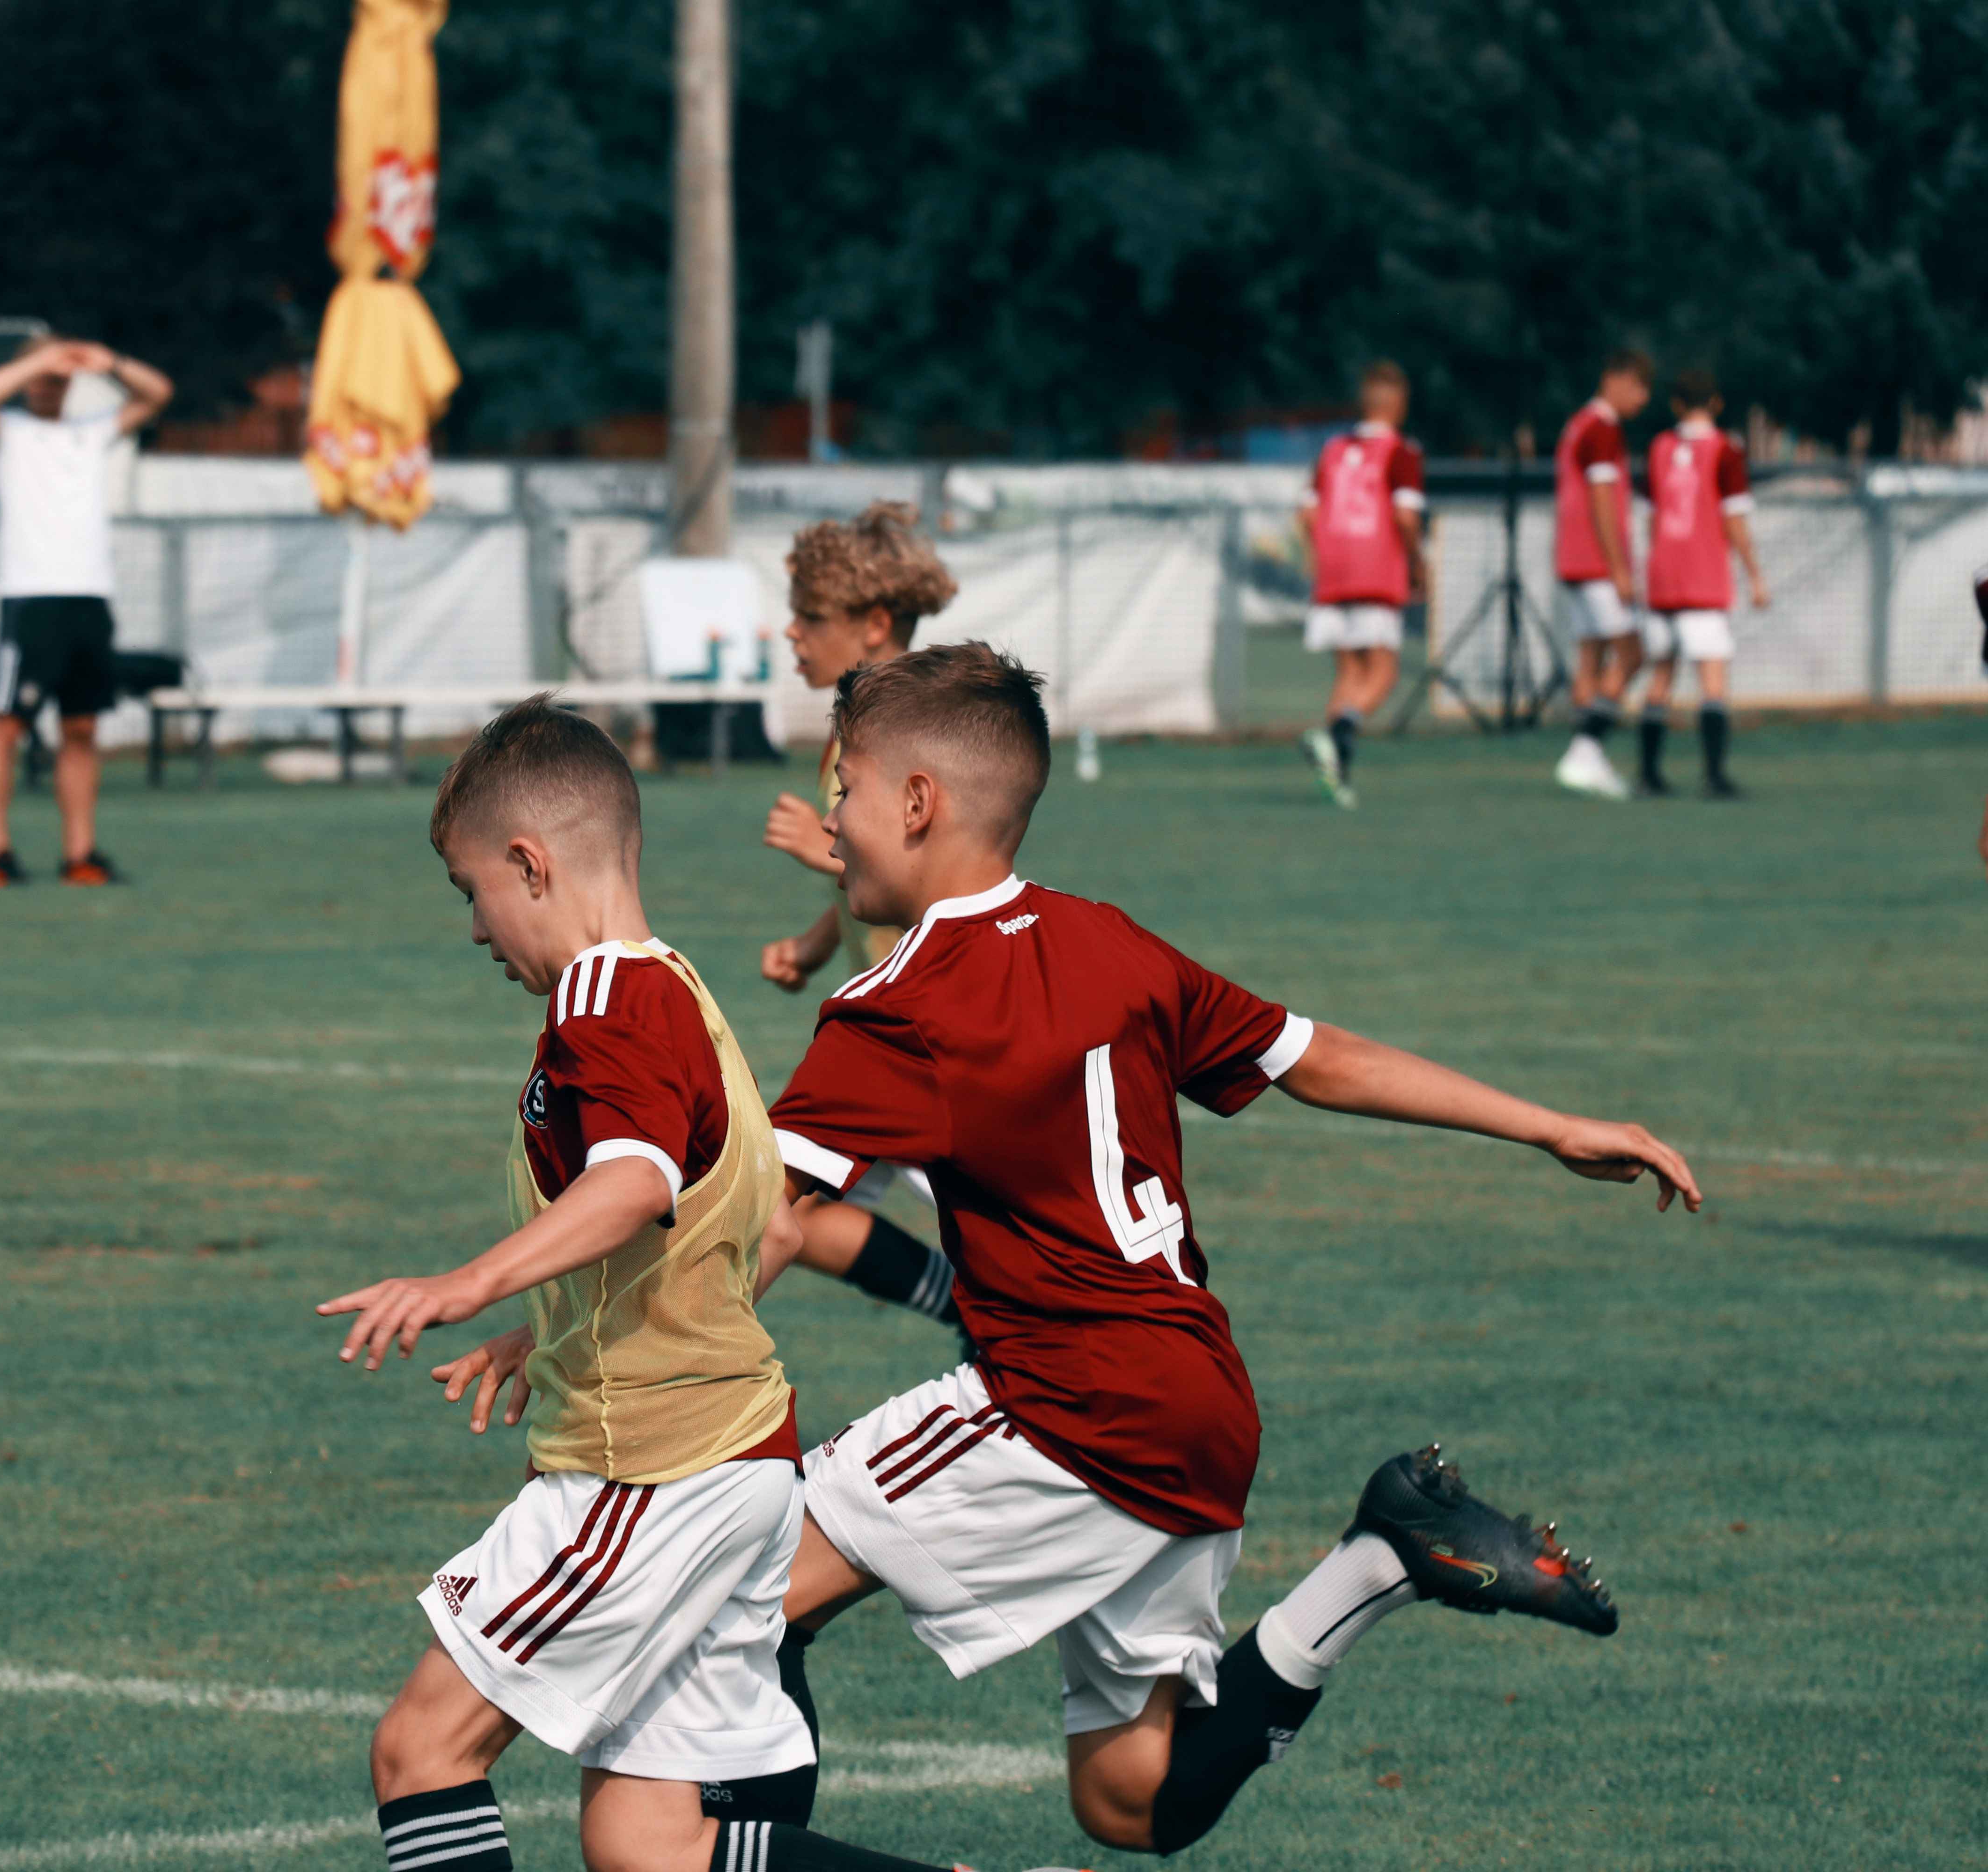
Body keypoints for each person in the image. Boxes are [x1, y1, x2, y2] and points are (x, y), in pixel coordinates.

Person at [747, 643, 1700, 1857]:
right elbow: (1321, 1058)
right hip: (1197, 1408)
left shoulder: (900, 1004)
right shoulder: (1112, 946)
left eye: (846, 793)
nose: (832, 823)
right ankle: (1380, 1557)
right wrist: (1550, 1124)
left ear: (918, 803)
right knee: (1134, 1804)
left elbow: (767, 1221)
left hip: (1067, 1404)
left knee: (740, 1587)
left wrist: (608, 1359)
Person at [318, 699, 969, 1872]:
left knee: (423, 1751)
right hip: (737, 1458)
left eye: (473, 890)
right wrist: (547, 1324)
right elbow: (707, 1215)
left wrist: (467, 1282)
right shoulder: (678, 992)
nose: (476, 929)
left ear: (532, 861)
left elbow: (631, 1183)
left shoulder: (603, 1001)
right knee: (650, 1843)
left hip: (652, 1471)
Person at [756, 502, 965, 1339]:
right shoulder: (857, 729)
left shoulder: (904, 735)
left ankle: (1000, 1313)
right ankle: (976, 1309)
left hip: (927, 1030)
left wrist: (823, 849)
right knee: (778, 1207)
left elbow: (942, 880)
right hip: (887, 1018)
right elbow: (872, 893)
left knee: (765, 1203)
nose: (791, 633)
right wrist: (813, 948)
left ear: (875, 624)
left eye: (811, 618)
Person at [0, 334, 173, 887]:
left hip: (89, 598)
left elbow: (157, 394)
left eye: (58, 376)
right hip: (30, 598)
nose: (48, 384)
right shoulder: (7, 432)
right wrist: (35, 359)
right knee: (5, 727)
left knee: (81, 727)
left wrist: (111, 361)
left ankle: (80, 852)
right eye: (39, 374)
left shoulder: (90, 431)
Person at [1295, 360, 1427, 809]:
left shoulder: (1332, 450)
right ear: (1398, 404)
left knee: (1350, 670)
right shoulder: (1401, 451)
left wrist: (1321, 558)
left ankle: (1338, 773)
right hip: (1375, 568)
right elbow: (1406, 517)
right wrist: (1418, 564)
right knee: (1385, 672)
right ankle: (1342, 732)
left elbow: (1307, 514)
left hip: (1333, 570)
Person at [1636, 370, 1766, 799]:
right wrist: (1754, 574)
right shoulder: (1726, 452)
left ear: (1675, 405)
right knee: (1712, 680)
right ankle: (1714, 776)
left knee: (1661, 678)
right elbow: (1734, 520)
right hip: (1703, 580)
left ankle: (1649, 775)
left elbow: (1654, 515)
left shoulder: (1659, 447)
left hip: (1662, 581)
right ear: (1716, 404)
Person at [1552, 350, 1654, 799]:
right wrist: (1619, 568)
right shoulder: (1603, 429)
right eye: (1639, 386)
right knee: (1632, 654)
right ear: (1613, 380)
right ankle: (1585, 751)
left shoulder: (1577, 424)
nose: (1644, 398)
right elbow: (1601, 500)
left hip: (1572, 560)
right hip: (1595, 563)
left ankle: (1589, 760)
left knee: (1590, 660)